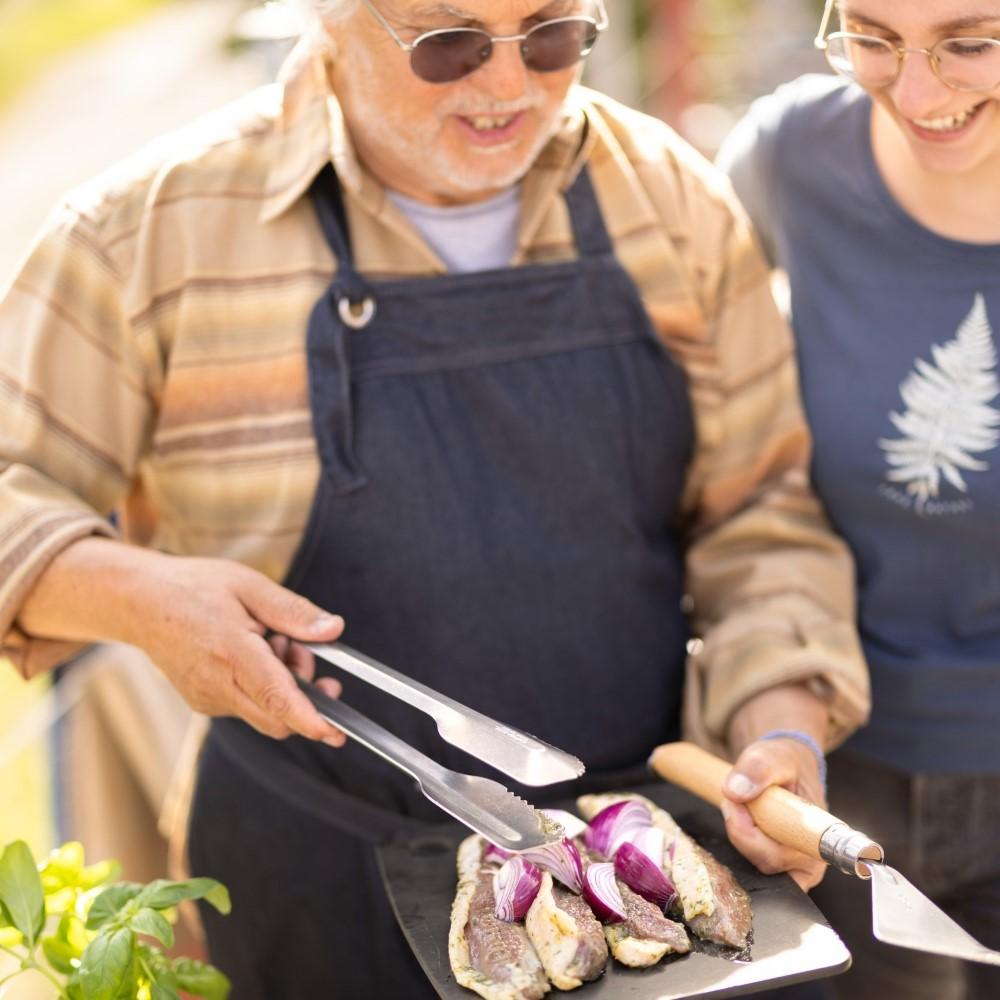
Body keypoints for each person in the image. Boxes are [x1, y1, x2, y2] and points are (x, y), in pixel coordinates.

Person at [0, 0, 868, 996]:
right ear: (329, 19)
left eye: (550, 36)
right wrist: (137, 598)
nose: (503, 85)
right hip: (312, 872)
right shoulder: (146, 236)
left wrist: (781, 716)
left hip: (632, 873)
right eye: (446, 44)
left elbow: (759, 516)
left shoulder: (670, 201)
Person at [716, 1, 1000, 998]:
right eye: (873, 37)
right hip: (838, 761)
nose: (918, 93)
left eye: (970, 42)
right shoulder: (791, 160)